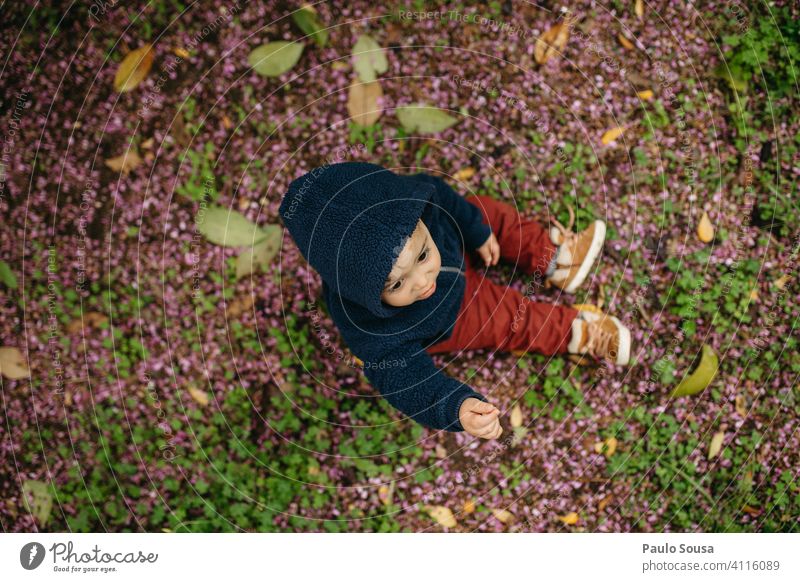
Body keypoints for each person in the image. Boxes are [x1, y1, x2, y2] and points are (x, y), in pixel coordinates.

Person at [279, 162, 631, 439]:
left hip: (456, 247)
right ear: (362, 293)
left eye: (420, 257)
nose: (422, 281)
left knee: (486, 214)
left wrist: (476, 233)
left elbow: (445, 199)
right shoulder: (369, 328)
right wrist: (455, 407)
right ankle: (574, 332)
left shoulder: (420, 208)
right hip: (453, 314)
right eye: (397, 283)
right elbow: (405, 381)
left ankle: (556, 259)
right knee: (511, 319)